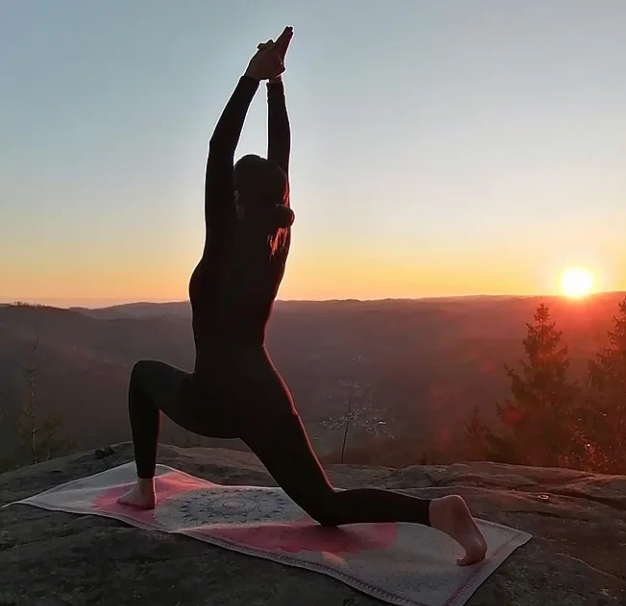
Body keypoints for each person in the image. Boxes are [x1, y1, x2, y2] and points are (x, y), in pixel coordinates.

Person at [118, 27, 487, 566]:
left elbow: (219, 150)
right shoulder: (276, 239)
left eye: (232, 193)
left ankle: (145, 489)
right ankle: (437, 512)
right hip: (267, 395)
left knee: (141, 376)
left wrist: (251, 78)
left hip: (214, 398)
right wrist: (276, 86)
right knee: (326, 506)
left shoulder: (225, 242)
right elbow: (279, 161)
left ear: (238, 199)